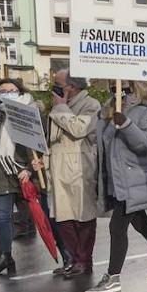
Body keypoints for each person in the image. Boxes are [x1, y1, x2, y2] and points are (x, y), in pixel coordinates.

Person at [85, 82, 147, 292]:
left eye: (124, 87)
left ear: (135, 87)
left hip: (134, 178)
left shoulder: (145, 109)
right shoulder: (107, 110)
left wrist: (127, 124)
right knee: (141, 224)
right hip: (116, 179)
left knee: (117, 226)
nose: (118, 91)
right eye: (113, 86)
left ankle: (113, 277)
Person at [0, 79, 45, 278]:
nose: (7, 93)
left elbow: (39, 146)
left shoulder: (28, 112)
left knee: (42, 215)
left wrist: (29, 170)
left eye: (12, 90)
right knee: (2, 217)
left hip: (22, 174)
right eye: (3, 91)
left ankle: (67, 256)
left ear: (20, 91)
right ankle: (4, 257)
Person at [47, 71, 102, 278]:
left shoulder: (91, 104)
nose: (54, 89)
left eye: (58, 84)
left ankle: (83, 260)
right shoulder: (59, 104)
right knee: (63, 218)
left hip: (80, 167)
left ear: (71, 86)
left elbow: (79, 129)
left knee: (83, 216)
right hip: (58, 167)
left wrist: (61, 107)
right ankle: (72, 258)